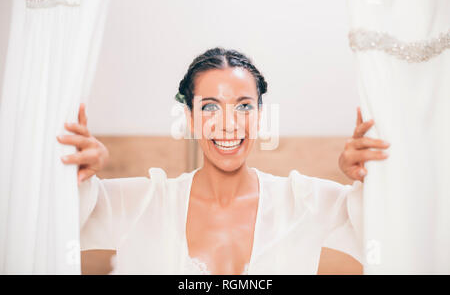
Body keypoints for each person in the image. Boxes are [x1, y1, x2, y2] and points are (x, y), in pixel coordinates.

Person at [57, 48, 389, 274]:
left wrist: (371, 176)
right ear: (189, 118)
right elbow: (52, 226)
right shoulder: (140, 202)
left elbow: (388, 238)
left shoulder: (304, 201)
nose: (228, 124)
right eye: (210, 107)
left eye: (244, 106)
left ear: (259, 116)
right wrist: (73, 170)